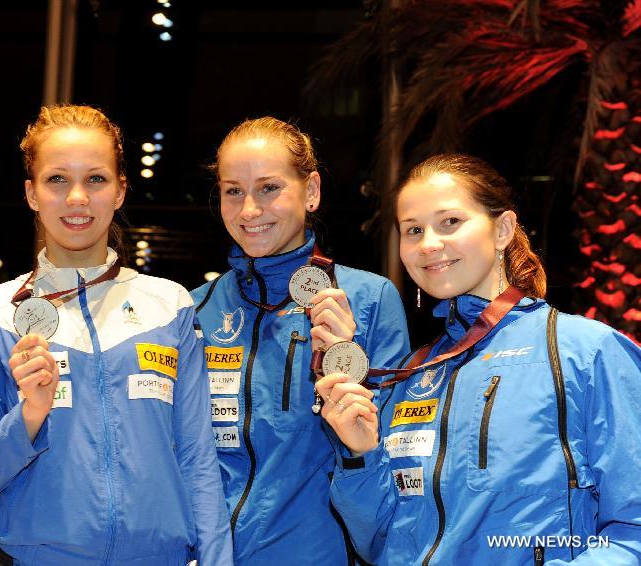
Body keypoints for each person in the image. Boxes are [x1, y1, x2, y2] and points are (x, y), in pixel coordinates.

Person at [0, 104, 232, 566]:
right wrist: (29, 416)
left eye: (96, 179)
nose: (77, 197)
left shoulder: (170, 305)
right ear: (31, 194)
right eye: (57, 179)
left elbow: (199, 460)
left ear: (120, 190)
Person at [322, 153, 641, 565]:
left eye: (450, 222)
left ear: (503, 229)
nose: (429, 244)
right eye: (413, 230)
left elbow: (633, 529)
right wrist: (359, 455)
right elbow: (381, 541)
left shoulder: (585, 351)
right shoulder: (412, 374)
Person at [191, 117, 410, 564]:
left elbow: (389, 455)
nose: (249, 209)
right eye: (233, 190)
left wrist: (348, 365)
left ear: (310, 191)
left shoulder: (368, 300)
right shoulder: (195, 310)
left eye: (269, 187)